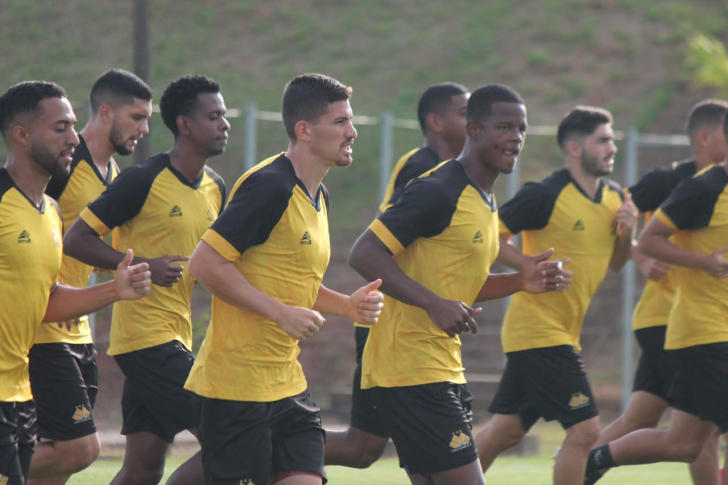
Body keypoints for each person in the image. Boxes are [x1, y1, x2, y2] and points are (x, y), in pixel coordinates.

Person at [348, 84, 566, 485]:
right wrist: (433, 304)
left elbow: (458, 284)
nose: (516, 137)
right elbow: (364, 253)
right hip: (411, 369)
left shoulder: (484, 198)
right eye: (504, 126)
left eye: (522, 129)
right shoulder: (438, 188)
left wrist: (519, 280)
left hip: (440, 367)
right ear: (474, 129)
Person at [184, 73, 384, 485]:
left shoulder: (319, 196)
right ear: (305, 131)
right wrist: (279, 314)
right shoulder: (269, 187)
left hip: (287, 385)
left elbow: (292, 284)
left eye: (351, 121)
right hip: (237, 388)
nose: (353, 132)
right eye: (341, 122)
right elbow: (204, 264)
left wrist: (347, 306)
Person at [63, 75, 229, 485]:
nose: (225, 124)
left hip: (178, 336)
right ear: (185, 124)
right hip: (145, 340)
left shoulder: (216, 189)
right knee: (230, 435)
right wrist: (139, 267)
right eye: (213, 116)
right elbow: (76, 238)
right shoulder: (141, 180)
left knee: (142, 466)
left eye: (225, 116)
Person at [473, 106, 637, 485]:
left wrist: (628, 234)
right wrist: (529, 265)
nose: (613, 148)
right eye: (604, 140)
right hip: (538, 332)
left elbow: (617, 263)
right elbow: (488, 237)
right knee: (585, 431)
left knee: (505, 433)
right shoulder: (546, 193)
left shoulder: (615, 198)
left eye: (613, 139)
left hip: (562, 334)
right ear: (576, 148)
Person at [0, 81, 151, 485]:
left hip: (19, 388)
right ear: (22, 134)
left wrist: (115, 289)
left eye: (71, 127)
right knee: (77, 448)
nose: (73, 138)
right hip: (21, 371)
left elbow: (46, 299)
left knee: (59, 464)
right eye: (61, 128)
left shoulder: (49, 211)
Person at [325, 81, 470, 469]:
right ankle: (249, 446)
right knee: (364, 449)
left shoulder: (457, 178)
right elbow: (375, 248)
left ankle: (256, 445)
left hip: (415, 335)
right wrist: (433, 301)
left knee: (363, 450)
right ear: (435, 122)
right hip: (392, 331)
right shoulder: (427, 171)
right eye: (464, 112)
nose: (474, 121)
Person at [586, 99, 728, 485]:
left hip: (700, 328)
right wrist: (639, 257)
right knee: (703, 434)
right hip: (694, 328)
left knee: (682, 441)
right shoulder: (689, 185)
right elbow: (633, 230)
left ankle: (583, 462)